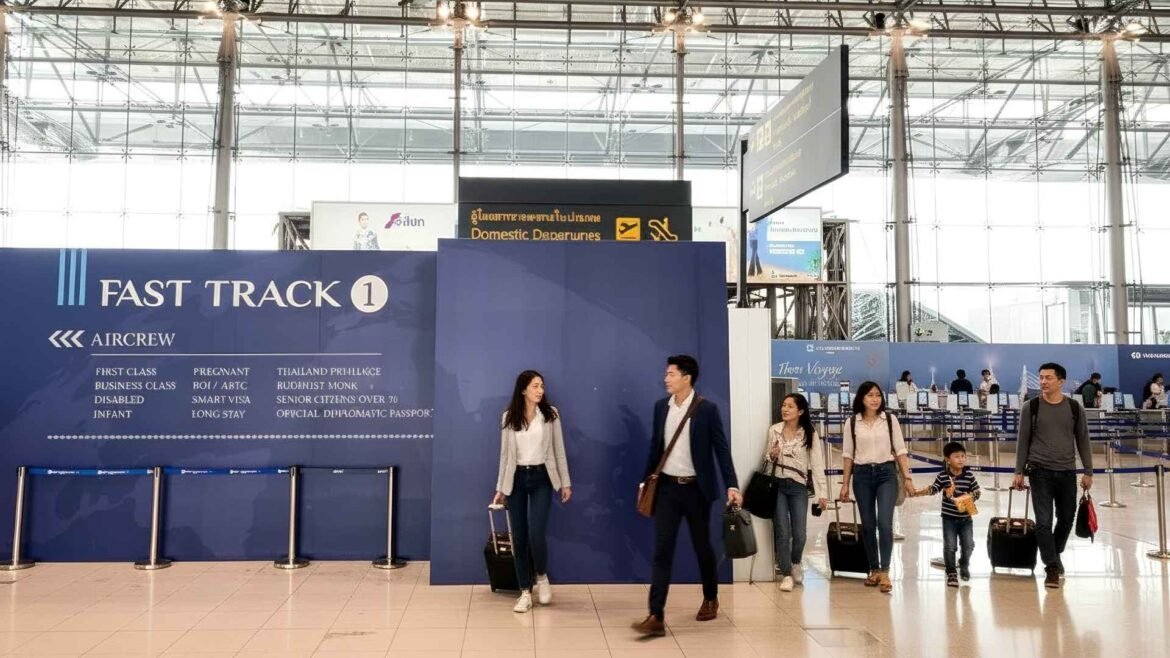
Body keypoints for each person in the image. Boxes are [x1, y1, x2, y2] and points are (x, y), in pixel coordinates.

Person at [632, 355, 741, 637]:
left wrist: (731, 484)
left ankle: (711, 597)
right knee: (662, 550)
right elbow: (655, 448)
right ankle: (656, 615)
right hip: (667, 489)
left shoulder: (707, 410)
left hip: (696, 490)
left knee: (702, 547)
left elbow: (721, 449)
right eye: (666, 374)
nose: (666, 379)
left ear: (686, 378)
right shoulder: (661, 407)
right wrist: (645, 482)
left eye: (671, 374)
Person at [492, 370, 572, 613]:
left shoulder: (550, 415)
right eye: (535, 386)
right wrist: (500, 488)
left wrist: (565, 482)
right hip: (516, 479)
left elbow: (559, 450)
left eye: (542, 386)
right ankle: (525, 592)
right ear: (523, 389)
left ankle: (542, 576)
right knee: (519, 537)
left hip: (541, 478)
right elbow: (505, 456)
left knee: (536, 533)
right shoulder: (508, 417)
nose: (540, 390)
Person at [1012, 362, 1093, 590]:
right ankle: (1051, 567)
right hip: (1040, 471)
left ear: (1061, 381)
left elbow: (1083, 439)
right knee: (1044, 522)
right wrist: (1018, 471)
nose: (1043, 381)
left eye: (1048, 378)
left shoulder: (1074, 408)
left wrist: (1088, 470)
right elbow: (1023, 440)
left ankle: (1054, 554)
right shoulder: (1031, 407)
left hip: (1067, 472)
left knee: (1066, 518)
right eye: (1041, 377)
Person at [839, 382, 916, 594]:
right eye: (870, 395)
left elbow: (900, 450)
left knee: (884, 523)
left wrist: (907, 478)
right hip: (862, 476)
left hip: (886, 474)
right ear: (861, 398)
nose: (875, 399)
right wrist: (845, 484)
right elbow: (848, 455)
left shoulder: (890, 420)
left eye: (878, 395)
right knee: (868, 525)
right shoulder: (852, 422)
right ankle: (873, 568)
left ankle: (885, 571)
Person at [763, 393, 829, 592]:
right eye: (784, 405)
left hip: (799, 486)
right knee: (782, 531)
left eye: (790, 406)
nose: (785, 409)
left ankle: (796, 562)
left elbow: (817, 463)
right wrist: (771, 454)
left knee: (800, 533)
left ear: (800, 411)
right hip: (778, 485)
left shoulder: (809, 433)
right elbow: (767, 458)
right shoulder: (774, 430)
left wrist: (822, 492)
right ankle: (786, 574)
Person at [914, 442, 981, 587]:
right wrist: (918, 492)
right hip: (949, 518)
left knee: (968, 545)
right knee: (950, 546)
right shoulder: (943, 476)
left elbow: (977, 492)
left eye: (963, 456)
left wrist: (969, 497)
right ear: (947, 459)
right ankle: (951, 572)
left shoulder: (969, 476)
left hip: (966, 518)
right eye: (956, 456)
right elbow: (934, 489)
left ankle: (964, 563)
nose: (961, 459)